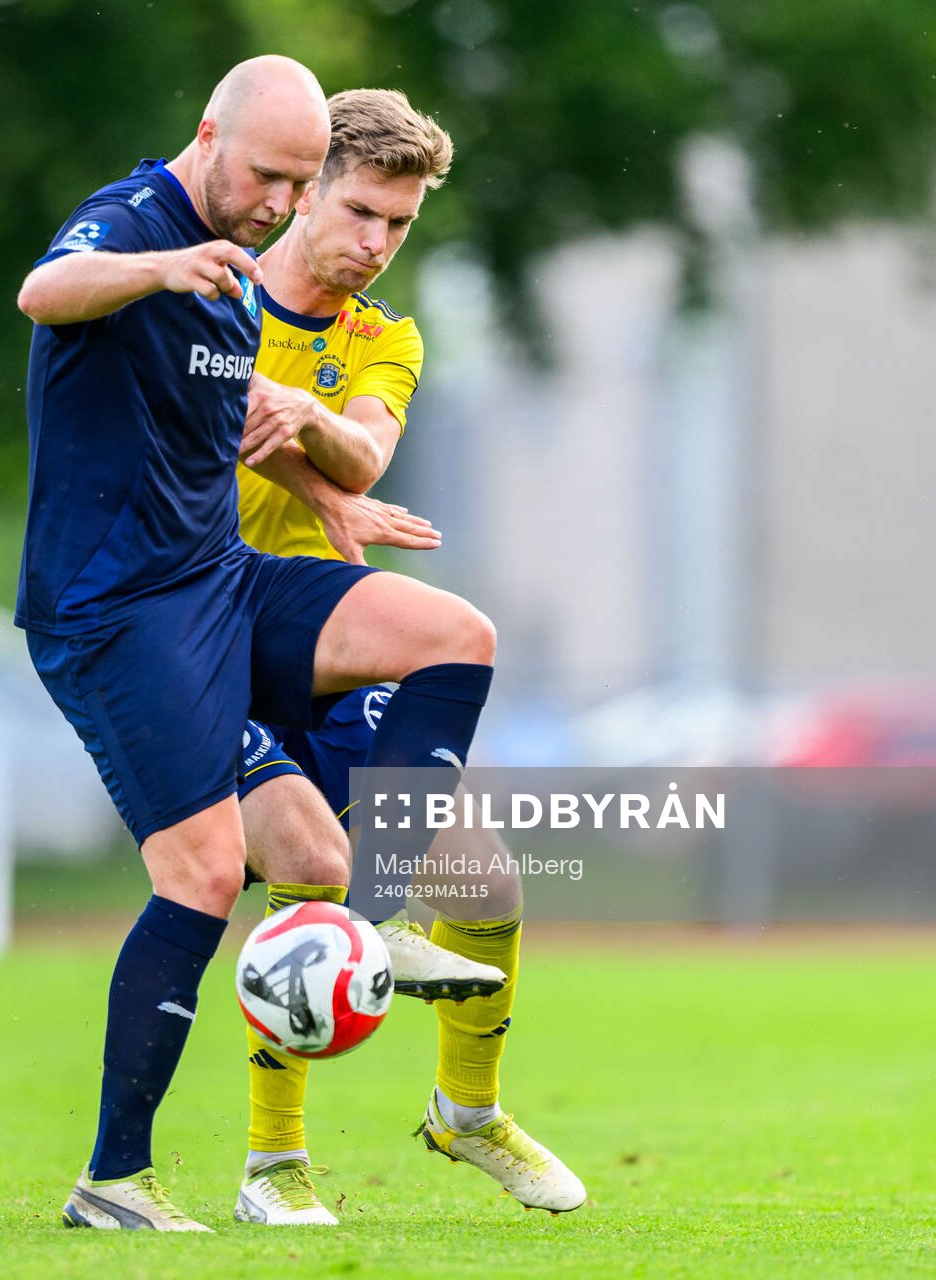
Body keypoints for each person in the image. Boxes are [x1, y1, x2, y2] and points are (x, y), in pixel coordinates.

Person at [17, 56, 502, 1233]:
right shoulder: (139, 224)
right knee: (204, 871)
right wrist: (161, 265)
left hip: (217, 581)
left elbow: (223, 427)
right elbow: (46, 290)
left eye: (298, 182)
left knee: (454, 635)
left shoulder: (239, 281)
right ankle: (112, 1180)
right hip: (112, 608)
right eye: (272, 175)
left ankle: (387, 919)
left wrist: (325, 496)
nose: (280, 202)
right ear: (208, 135)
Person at [221, 88, 587, 1227]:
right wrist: (285, 428)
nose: (378, 244)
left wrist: (312, 437)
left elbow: (367, 450)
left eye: (403, 226)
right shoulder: (213, 292)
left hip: (331, 640)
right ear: (304, 189)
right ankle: (272, 1167)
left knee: (487, 888)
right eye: (365, 212)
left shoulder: (386, 337)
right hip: (208, 636)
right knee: (310, 875)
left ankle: (465, 1114)